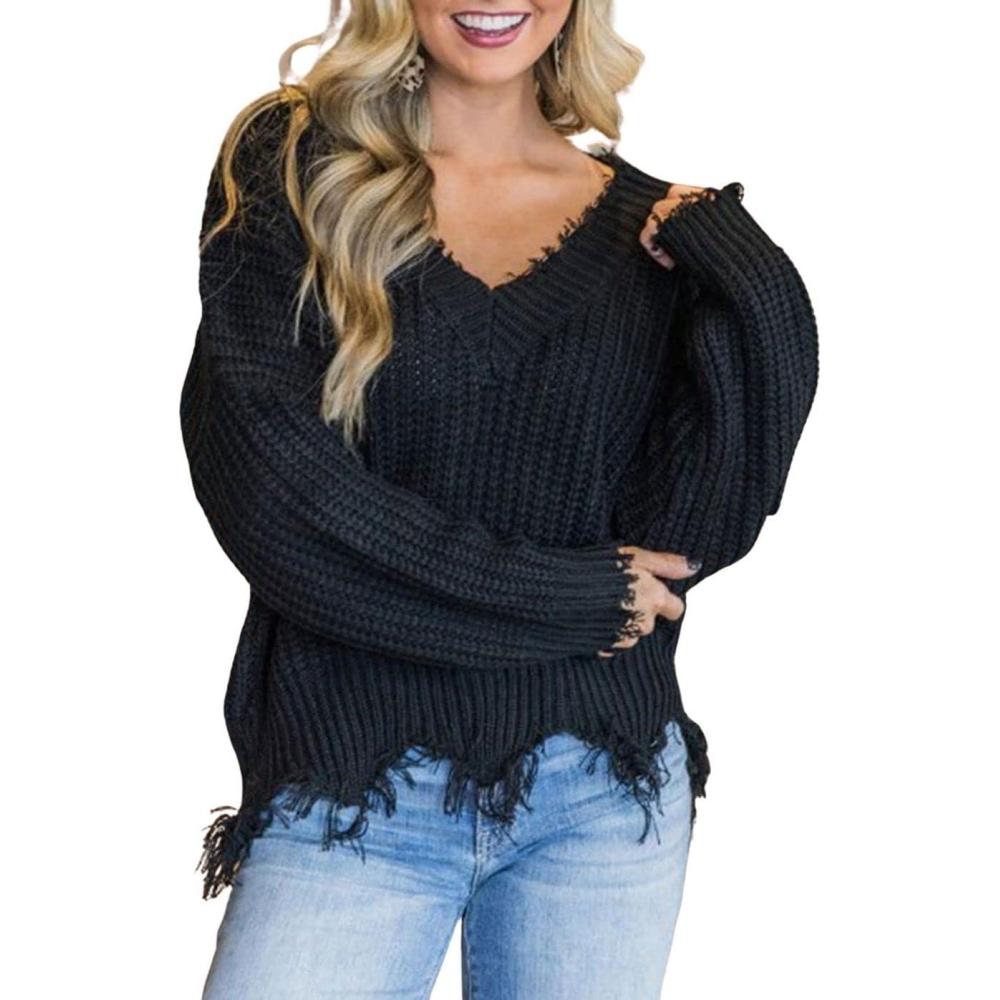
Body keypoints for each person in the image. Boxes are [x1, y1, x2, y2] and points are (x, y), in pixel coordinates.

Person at [181, 1, 819, 996]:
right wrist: (565, 599)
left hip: (599, 790)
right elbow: (271, 493)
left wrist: (749, 277)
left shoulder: (647, 233)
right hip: (353, 780)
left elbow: (696, 533)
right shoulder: (299, 169)